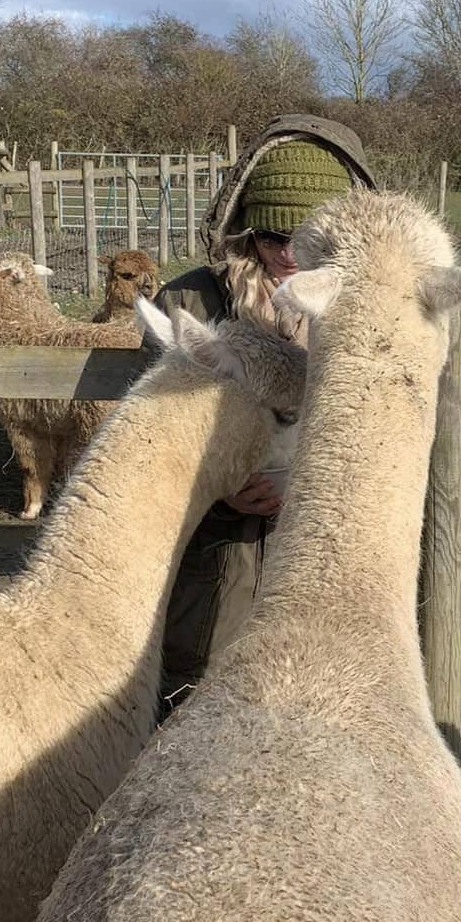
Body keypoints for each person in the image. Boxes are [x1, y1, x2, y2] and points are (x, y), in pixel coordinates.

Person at [154, 115, 374, 707]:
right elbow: (149, 439)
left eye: (304, 242)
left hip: (322, 556)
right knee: (195, 705)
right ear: (245, 230)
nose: (285, 255)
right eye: (271, 237)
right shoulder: (190, 302)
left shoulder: (366, 313)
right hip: (214, 561)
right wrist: (220, 490)